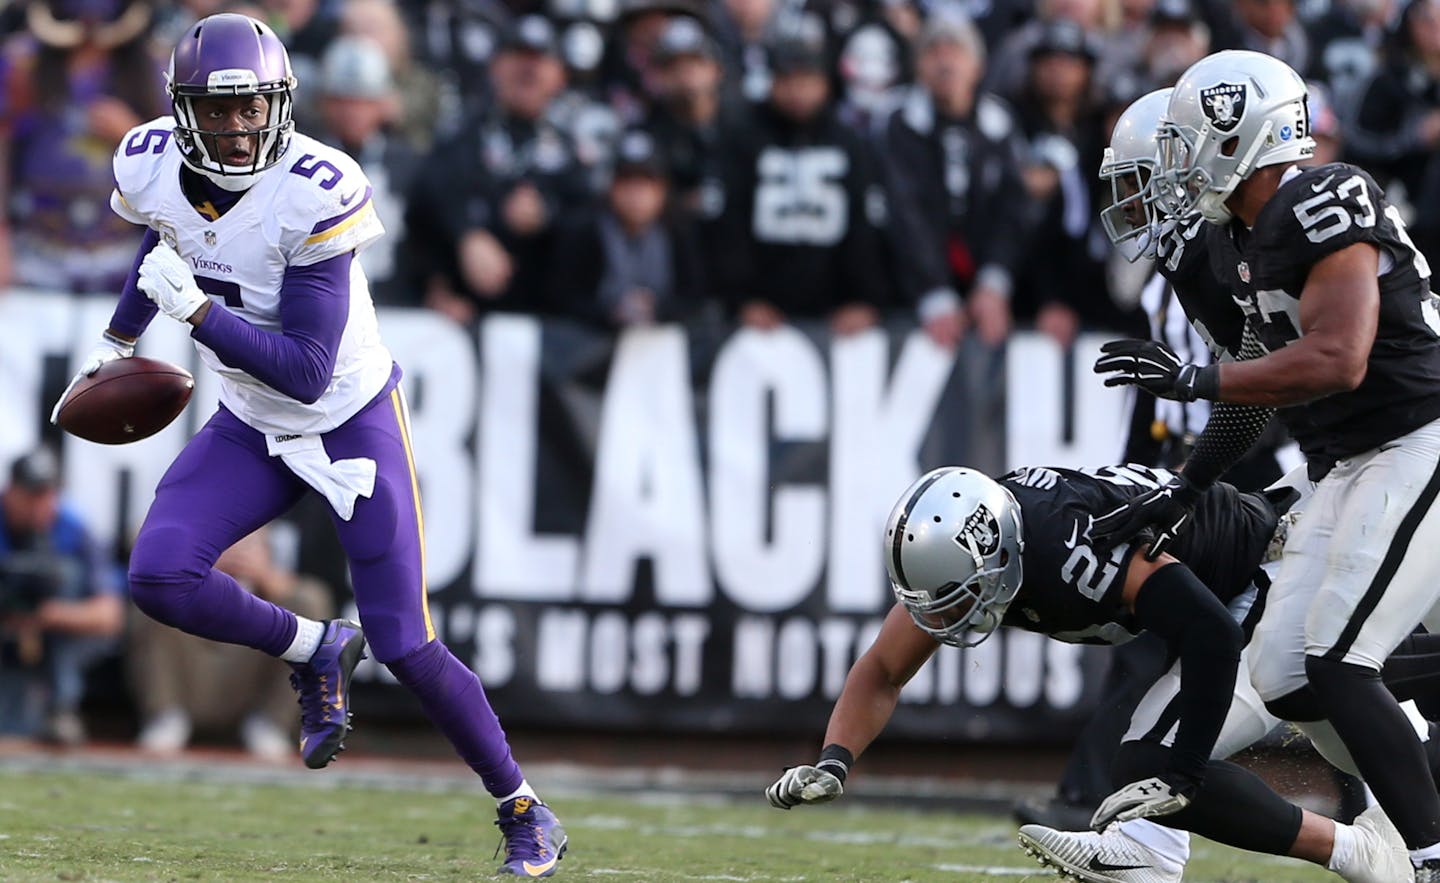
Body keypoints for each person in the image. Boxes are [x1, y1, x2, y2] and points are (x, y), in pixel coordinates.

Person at [47, 14, 566, 877]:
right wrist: (120, 338)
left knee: (406, 641)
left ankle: (524, 808)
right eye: (220, 115)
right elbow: (164, 232)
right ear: (182, 116)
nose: (241, 128)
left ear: (280, 103)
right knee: (158, 575)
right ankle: (314, 647)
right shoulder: (149, 163)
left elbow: (307, 369)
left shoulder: (315, 189)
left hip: (347, 415)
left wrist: (198, 315)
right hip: (250, 421)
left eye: (254, 108)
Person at [1090, 49, 1440, 879]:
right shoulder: (1232, 240)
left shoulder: (1321, 196)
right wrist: (1189, 484)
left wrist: (1191, 375)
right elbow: (1258, 384)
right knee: (1286, 674)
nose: (1174, 168)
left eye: (1184, 143)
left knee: (1340, 660)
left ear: (1235, 133)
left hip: (1419, 435)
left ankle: (1427, 857)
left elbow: (1340, 357)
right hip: (1348, 462)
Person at [765, 463, 1411, 883]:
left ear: (992, 555)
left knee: (1150, 760)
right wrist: (835, 760)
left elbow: (1210, 630)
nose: (948, 617)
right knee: (1147, 759)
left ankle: (1359, 851)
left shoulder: (1069, 550)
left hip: (1261, 576)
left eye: (958, 596)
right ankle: (1152, 853)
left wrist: (1181, 775)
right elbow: (882, 669)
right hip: (1215, 588)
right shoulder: (983, 547)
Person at [713, 34, 890, 335]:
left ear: (825, 83)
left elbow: (864, 224)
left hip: (835, 312)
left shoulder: (848, 141)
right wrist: (741, 300)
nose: (797, 91)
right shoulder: (743, 138)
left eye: (807, 79)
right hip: (760, 312)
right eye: (787, 80)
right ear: (771, 83)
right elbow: (731, 223)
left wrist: (866, 299)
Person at [130, 526, 334, 761]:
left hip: (250, 681)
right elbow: (145, 553)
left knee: (311, 601)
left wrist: (264, 576)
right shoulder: (188, 516)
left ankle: (270, 723)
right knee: (154, 594)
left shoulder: (266, 514)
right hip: (192, 675)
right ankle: (165, 716)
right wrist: (202, 571)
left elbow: (307, 598)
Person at [0, 448, 124, 746]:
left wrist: (48, 615)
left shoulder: (73, 527)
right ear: (10, 491)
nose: (38, 505)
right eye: (29, 494)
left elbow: (110, 616)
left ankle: (61, 708)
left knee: (68, 577)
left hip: (57, 637)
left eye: (45, 494)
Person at [543, 129, 706, 327]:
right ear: (611, 187)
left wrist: (659, 308)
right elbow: (562, 297)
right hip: (592, 339)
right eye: (627, 182)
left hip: (662, 338)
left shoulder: (679, 230)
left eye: (645, 183)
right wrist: (610, 313)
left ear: (662, 190)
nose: (635, 194)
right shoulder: (584, 229)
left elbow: (694, 297)